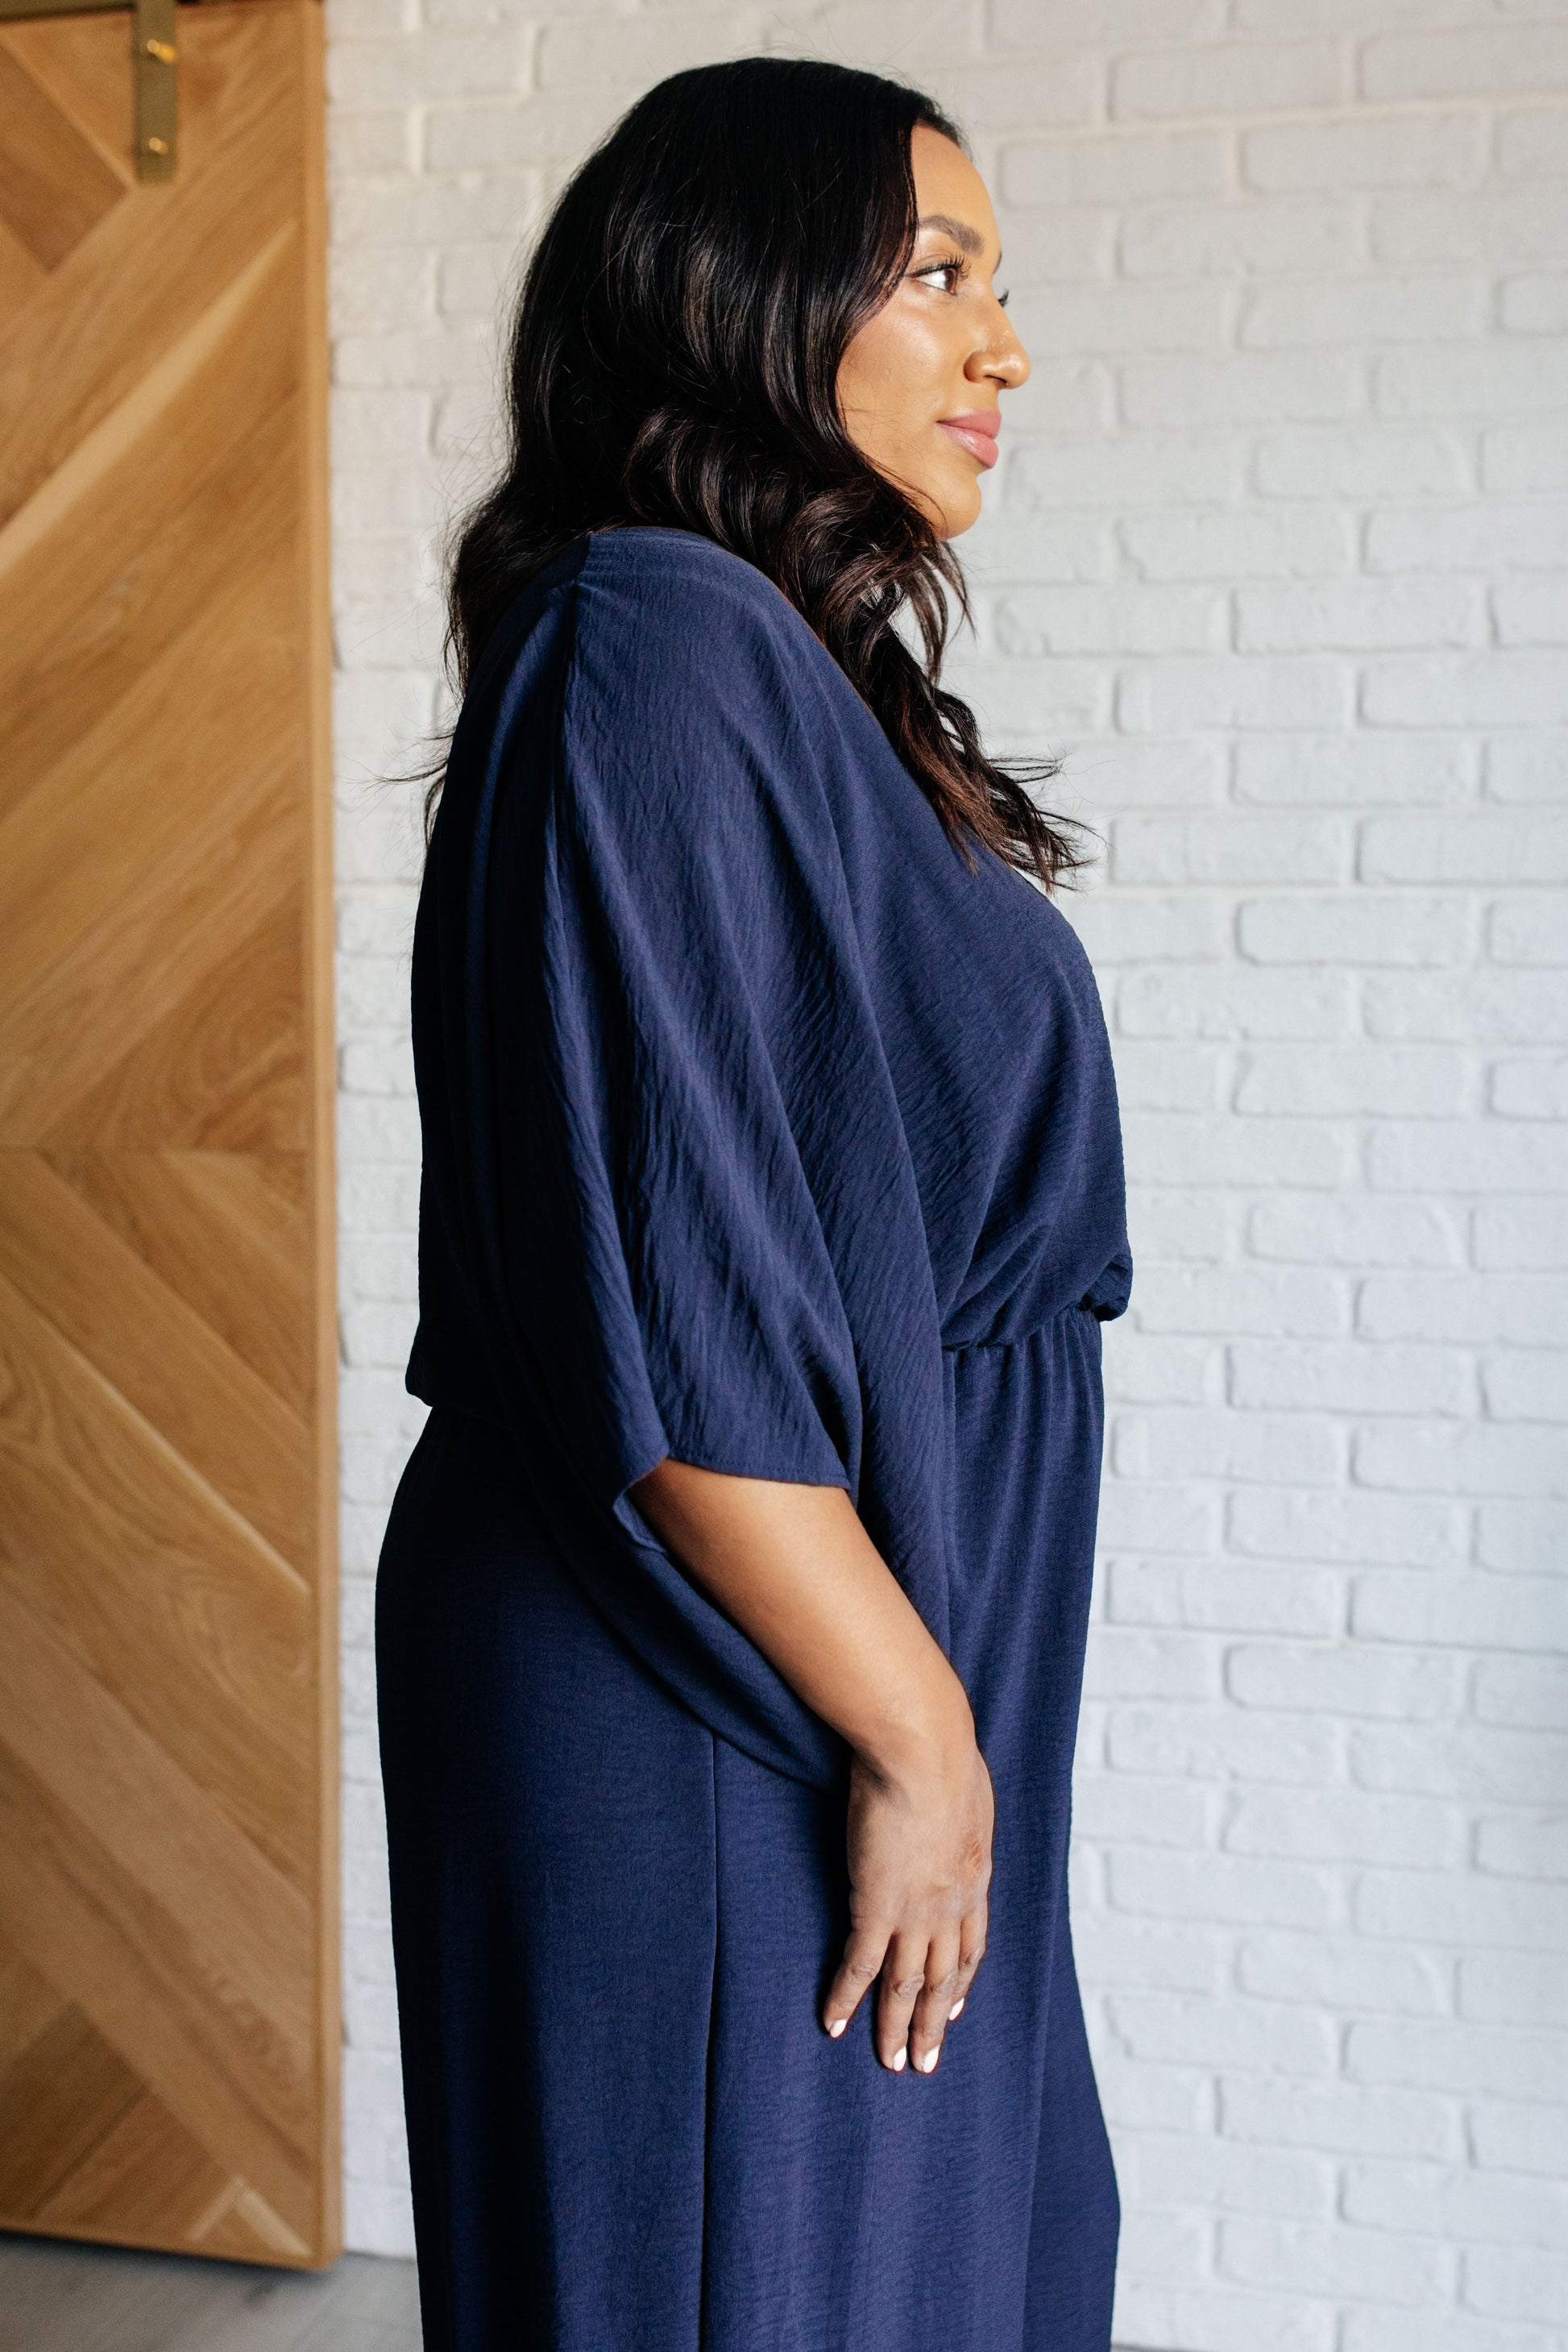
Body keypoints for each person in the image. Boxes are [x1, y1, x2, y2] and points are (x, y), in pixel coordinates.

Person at [376, 54, 1131, 2352]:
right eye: (939, 274)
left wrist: (941, 1724)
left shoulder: (784, 675)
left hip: (862, 1649)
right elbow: (674, 1296)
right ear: (740, 291)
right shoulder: (654, 639)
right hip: (724, 1662)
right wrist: (915, 1733)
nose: (1004, 346)